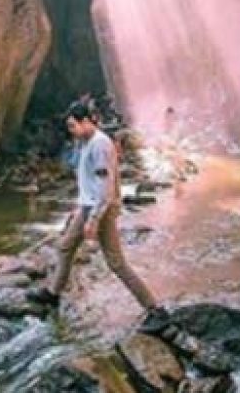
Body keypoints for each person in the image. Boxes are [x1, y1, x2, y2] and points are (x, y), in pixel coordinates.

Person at [28, 103, 169, 329]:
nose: (71, 130)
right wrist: (80, 207)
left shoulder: (100, 145)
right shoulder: (86, 143)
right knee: (65, 247)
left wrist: (94, 219)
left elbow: (105, 188)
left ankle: (155, 309)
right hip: (87, 206)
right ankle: (52, 294)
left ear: (86, 121)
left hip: (99, 209)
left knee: (116, 263)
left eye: (73, 125)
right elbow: (89, 182)